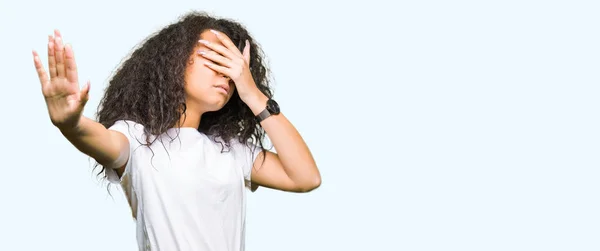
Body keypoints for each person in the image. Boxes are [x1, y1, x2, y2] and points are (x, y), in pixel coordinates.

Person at [32, 11, 321, 251]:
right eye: (216, 59)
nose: (227, 73)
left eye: (234, 68)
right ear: (176, 60)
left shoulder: (231, 151)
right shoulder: (137, 141)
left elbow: (305, 177)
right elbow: (96, 138)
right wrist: (69, 122)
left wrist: (254, 95)